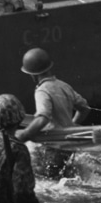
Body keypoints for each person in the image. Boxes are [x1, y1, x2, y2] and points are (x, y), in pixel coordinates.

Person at [15, 47, 90, 178]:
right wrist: (71, 125)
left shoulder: (42, 91)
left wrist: (23, 136)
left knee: (49, 180)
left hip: (53, 146)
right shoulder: (64, 86)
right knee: (64, 178)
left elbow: (42, 117)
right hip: (68, 144)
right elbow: (85, 108)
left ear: (33, 74)